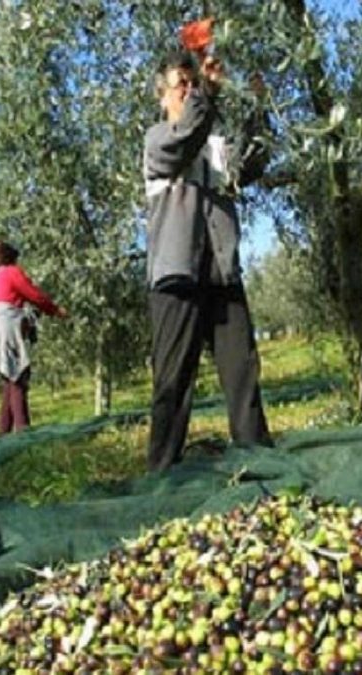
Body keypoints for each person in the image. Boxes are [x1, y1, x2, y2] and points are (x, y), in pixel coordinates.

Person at [142, 50, 273, 472]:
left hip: (221, 275)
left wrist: (258, 109)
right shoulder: (157, 140)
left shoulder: (216, 149)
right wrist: (209, 91)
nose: (188, 90)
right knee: (172, 385)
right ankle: (162, 472)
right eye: (182, 84)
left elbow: (253, 161)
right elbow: (188, 136)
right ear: (164, 98)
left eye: (190, 83)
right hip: (176, 277)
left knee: (243, 378)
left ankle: (260, 460)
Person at [0, 241, 68, 435]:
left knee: (9, 376)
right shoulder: (12, 272)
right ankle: (23, 430)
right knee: (19, 374)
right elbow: (33, 294)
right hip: (8, 323)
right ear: (11, 258)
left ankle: (3, 431)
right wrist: (54, 309)